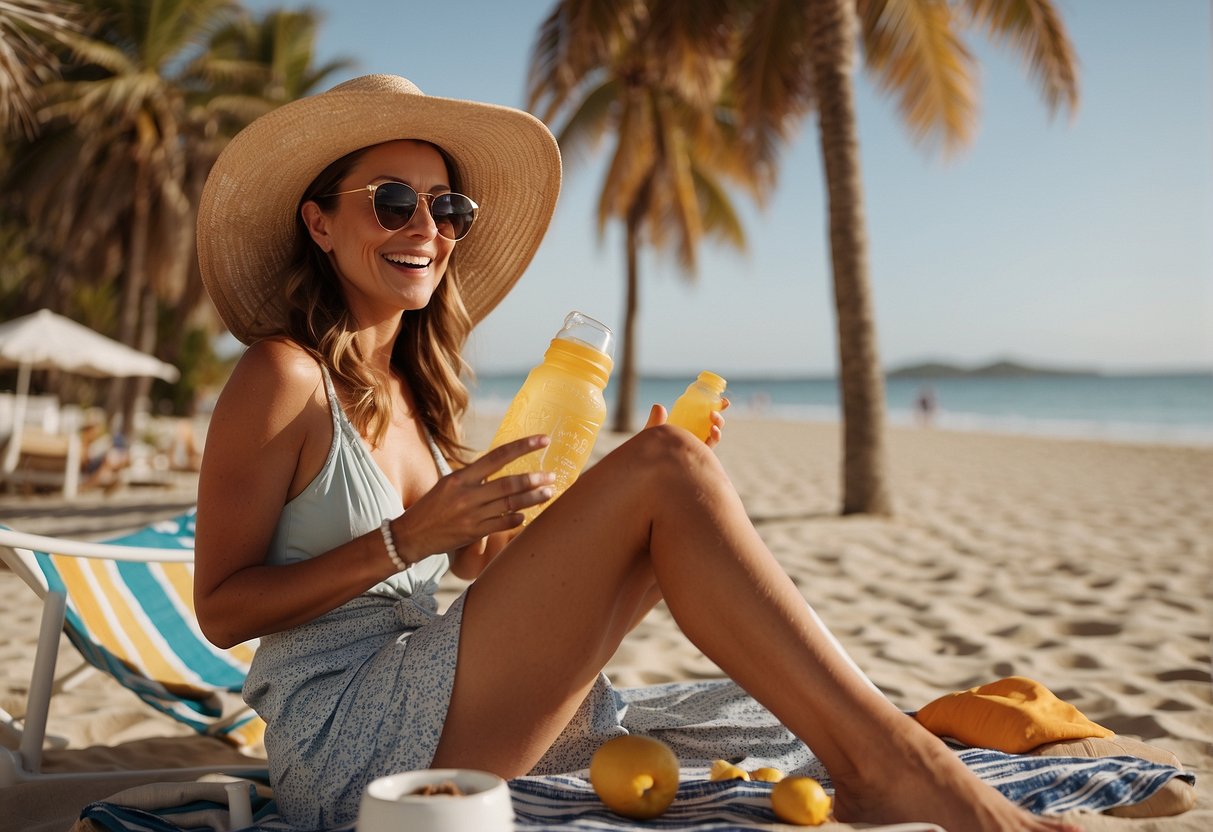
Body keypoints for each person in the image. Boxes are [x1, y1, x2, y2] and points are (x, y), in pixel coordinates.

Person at [192, 75, 1079, 831]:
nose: (424, 225)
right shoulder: (283, 376)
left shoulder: (425, 390)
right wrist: (409, 538)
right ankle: (901, 769)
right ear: (319, 223)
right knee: (664, 473)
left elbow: (480, 563)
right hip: (344, 735)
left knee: (669, 475)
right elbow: (223, 611)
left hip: (432, 693)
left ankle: (888, 751)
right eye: (393, 201)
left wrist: (585, 518)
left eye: (447, 207)